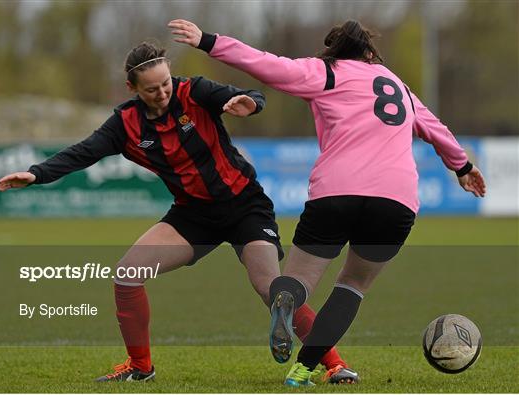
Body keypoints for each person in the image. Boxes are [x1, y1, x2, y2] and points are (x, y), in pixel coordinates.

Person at [0, 40, 358, 383]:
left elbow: (250, 95)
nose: (163, 93)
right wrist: (37, 173)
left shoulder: (194, 91)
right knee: (127, 274)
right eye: (152, 89)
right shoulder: (125, 124)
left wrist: (249, 102)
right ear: (132, 87)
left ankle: (334, 365)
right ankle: (141, 367)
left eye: (165, 83)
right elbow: (84, 151)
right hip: (192, 217)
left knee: (272, 291)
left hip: (245, 207)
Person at [169, 19, 487, 386]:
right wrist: (462, 166)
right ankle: (303, 370)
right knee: (352, 286)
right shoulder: (397, 85)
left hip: (337, 192)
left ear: (333, 50)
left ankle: (286, 299)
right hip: (396, 201)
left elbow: (265, 64)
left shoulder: (326, 72)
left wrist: (209, 41)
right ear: (370, 52)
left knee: (297, 280)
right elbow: (435, 128)